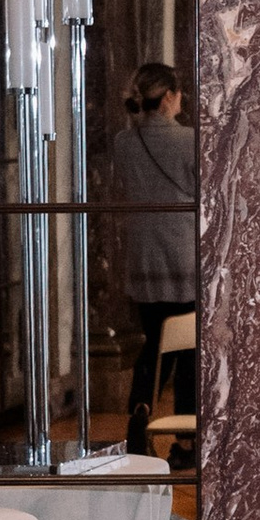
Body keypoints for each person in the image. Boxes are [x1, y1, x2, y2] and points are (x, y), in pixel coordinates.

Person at [111, 63, 196, 460]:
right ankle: (186, 440)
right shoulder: (190, 141)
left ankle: (138, 424)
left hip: (143, 261)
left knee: (153, 345)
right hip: (184, 261)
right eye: (179, 94)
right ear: (167, 98)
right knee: (189, 351)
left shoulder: (122, 144)